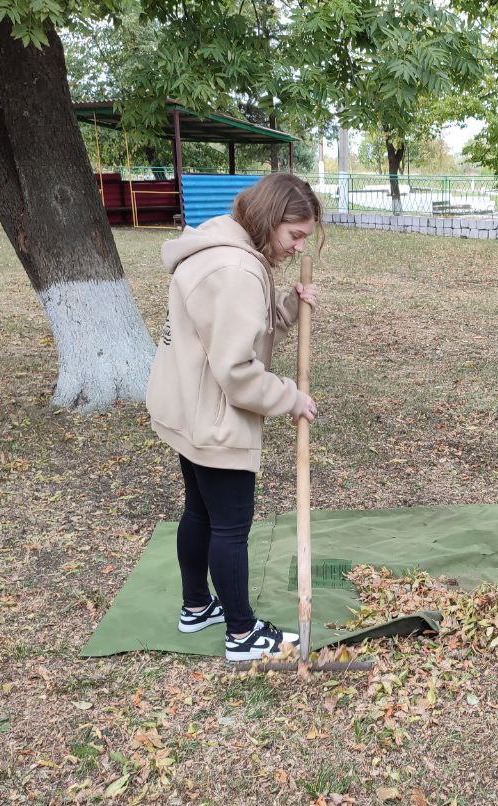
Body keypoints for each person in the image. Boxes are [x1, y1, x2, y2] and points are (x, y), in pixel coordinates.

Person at [146, 173, 322, 663]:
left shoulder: (221, 243)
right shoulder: (237, 270)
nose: (298, 245)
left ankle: (196, 606)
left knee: (200, 512)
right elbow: (238, 371)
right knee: (230, 525)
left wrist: (286, 308)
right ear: (270, 220)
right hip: (214, 415)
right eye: (295, 235)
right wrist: (291, 398)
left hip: (185, 402)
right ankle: (242, 635)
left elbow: (233, 331)